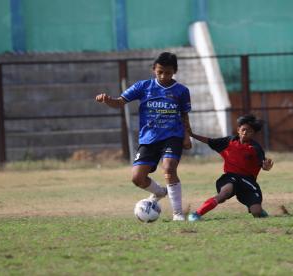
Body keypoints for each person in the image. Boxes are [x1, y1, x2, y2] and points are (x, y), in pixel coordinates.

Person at [95, 52, 192, 221]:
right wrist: (107, 99)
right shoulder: (143, 86)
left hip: (172, 136)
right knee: (137, 178)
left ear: (174, 71)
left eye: (168, 72)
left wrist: (186, 136)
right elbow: (119, 102)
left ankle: (178, 214)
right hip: (149, 138)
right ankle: (160, 192)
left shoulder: (181, 91)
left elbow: (184, 115)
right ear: (154, 69)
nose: (163, 76)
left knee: (169, 168)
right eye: (160, 72)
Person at [187, 114, 274, 221]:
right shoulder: (229, 142)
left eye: (249, 131)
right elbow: (210, 141)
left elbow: (263, 165)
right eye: (243, 129)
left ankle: (258, 210)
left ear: (253, 134)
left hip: (248, 181)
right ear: (238, 130)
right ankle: (196, 214)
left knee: (256, 212)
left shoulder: (255, 148)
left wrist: (266, 167)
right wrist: (192, 135)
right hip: (230, 177)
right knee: (224, 194)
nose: (245, 133)